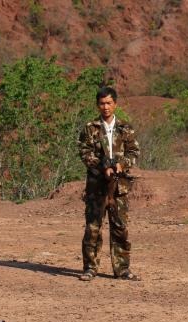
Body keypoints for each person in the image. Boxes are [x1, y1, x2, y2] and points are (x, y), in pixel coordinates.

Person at [77, 86, 141, 281]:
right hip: (97, 185)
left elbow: (134, 152)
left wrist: (122, 165)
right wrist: (101, 166)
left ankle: (122, 269)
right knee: (93, 228)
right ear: (98, 105)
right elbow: (84, 152)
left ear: (115, 104)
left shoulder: (125, 127)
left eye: (109, 103)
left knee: (120, 227)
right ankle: (90, 268)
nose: (105, 107)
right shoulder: (90, 127)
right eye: (102, 103)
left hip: (119, 186)